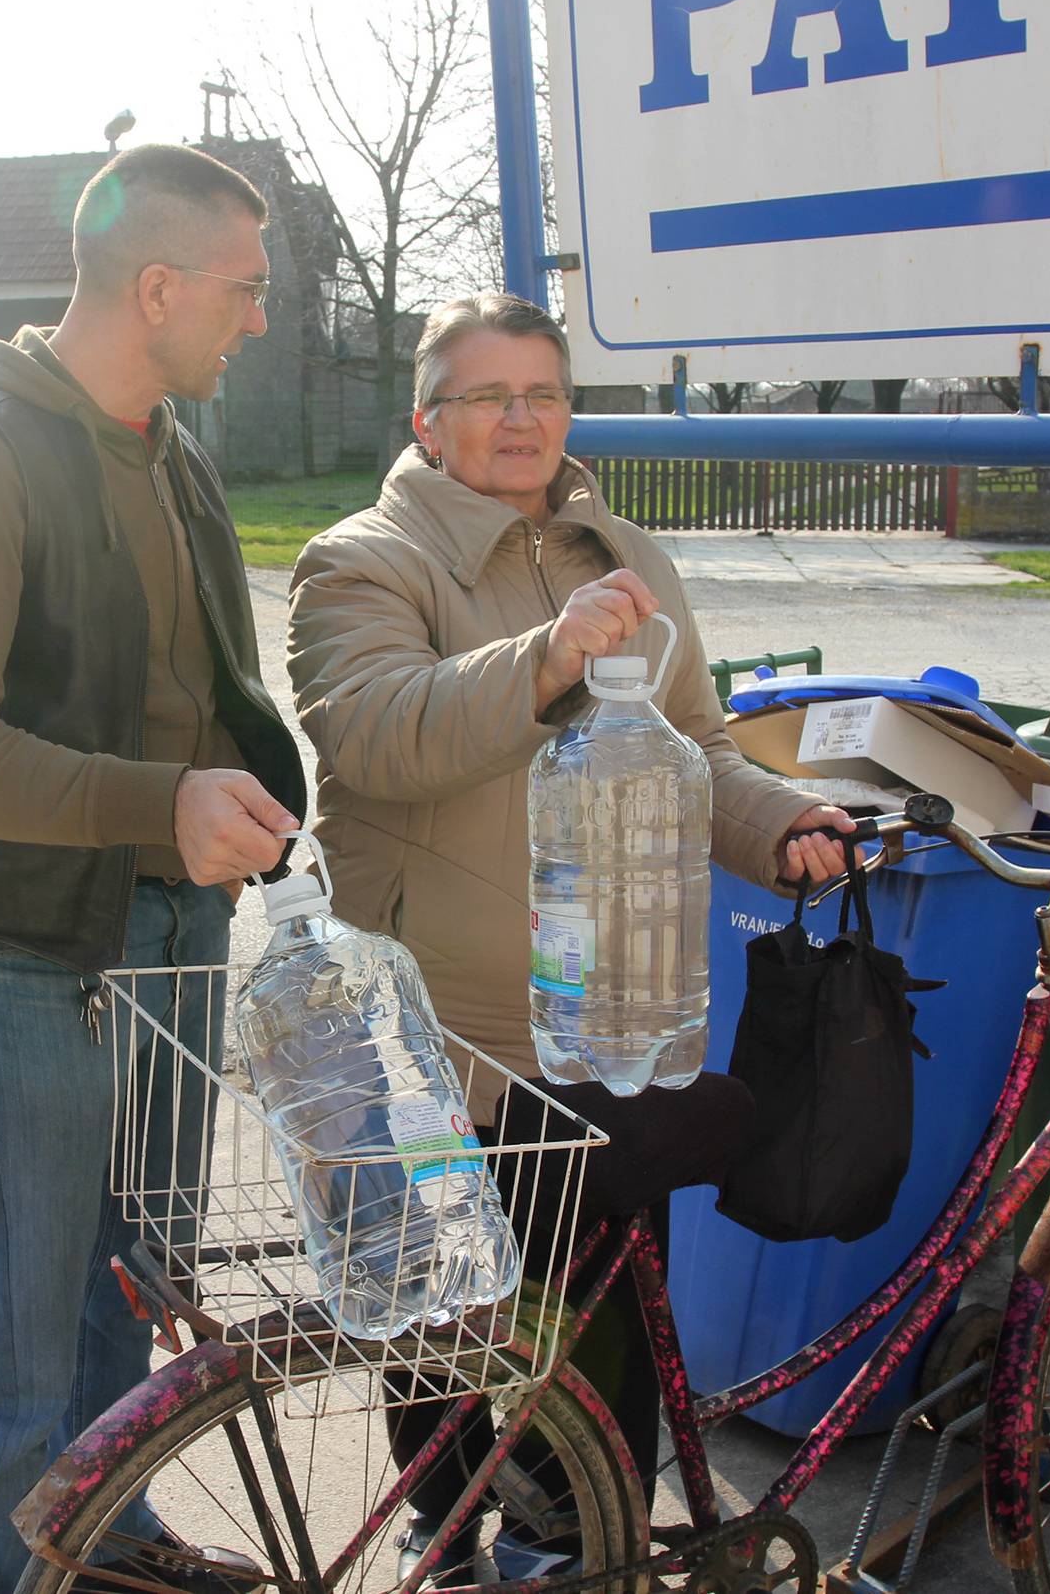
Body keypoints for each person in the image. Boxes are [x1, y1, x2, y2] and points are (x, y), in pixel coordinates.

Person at [286, 291, 852, 1580]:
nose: (521, 419)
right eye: (487, 397)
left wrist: (779, 823)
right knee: (440, 1313)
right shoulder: (363, 560)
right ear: (427, 420)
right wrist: (547, 658)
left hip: (600, 1016)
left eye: (544, 393)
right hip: (434, 1031)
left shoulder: (626, 557)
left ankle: (572, 1549)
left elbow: (698, 747)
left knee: (582, 1311)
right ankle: (453, 1531)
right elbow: (380, 732)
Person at [0, 143, 307, 1594]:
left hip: (171, 939)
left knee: (129, 1301)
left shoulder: (167, 446)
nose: (256, 319)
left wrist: (240, 806)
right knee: (15, 1349)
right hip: (25, 967)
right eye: (243, 291)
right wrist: (158, 805)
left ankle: (108, 1549)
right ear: (159, 285)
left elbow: (189, 689)